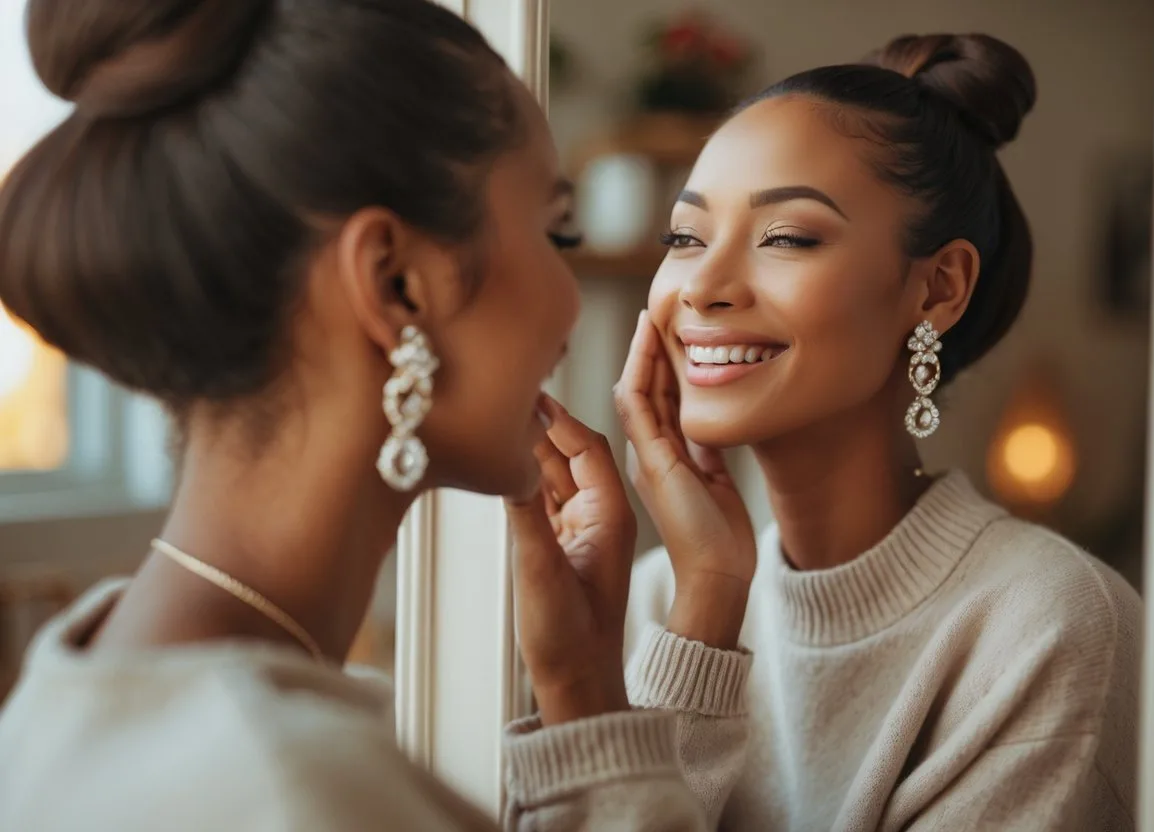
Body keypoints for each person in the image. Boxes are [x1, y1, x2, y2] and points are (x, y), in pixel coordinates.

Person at [0, 0, 740, 829]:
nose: (569, 306)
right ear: (396, 283)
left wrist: (582, 691)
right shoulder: (299, 789)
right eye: (553, 230)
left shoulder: (85, 676)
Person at [617, 33, 1142, 831]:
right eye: (684, 239)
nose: (703, 288)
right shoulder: (660, 598)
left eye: (786, 237)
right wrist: (705, 608)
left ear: (938, 288)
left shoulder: (1050, 626)